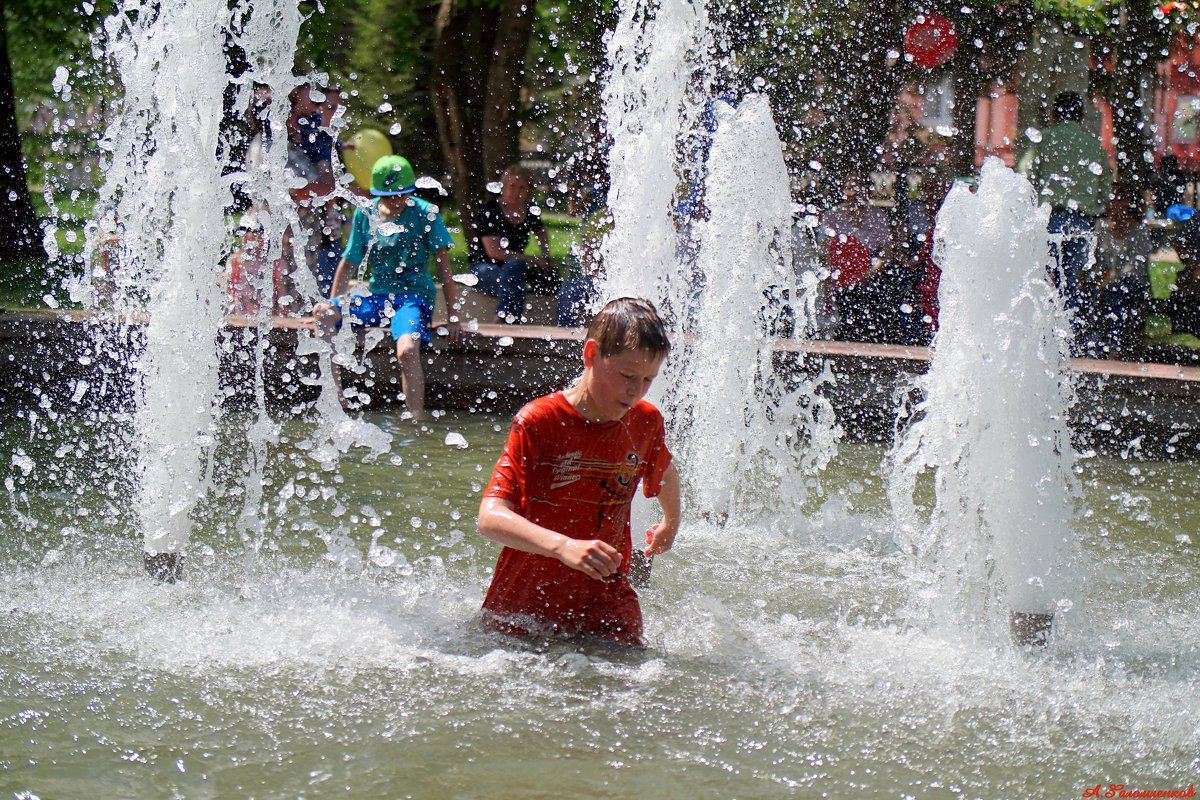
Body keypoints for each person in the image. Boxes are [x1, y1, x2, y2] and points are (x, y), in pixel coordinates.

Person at [477, 297, 682, 645]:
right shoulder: (539, 421)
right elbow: (490, 517)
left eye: (648, 379)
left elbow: (663, 468)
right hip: (526, 601)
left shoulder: (645, 421)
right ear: (591, 354)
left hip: (606, 601)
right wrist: (563, 547)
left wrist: (670, 521)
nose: (636, 390)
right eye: (628, 375)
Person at [312, 155, 462, 419]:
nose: (396, 201)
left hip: (412, 300)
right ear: (377, 194)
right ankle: (335, 398)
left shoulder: (426, 213)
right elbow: (348, 264)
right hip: (376, 298)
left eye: (402, 195)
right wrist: (336, 310)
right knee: (322, 311)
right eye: (389, 196)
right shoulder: (365, 214)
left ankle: (414, 419)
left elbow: (445, 270)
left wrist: (453, 317)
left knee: (406, 350)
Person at [1022, 90, 1112, 330]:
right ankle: (1067, 331)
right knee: (1071, 280)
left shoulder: (1044, 140)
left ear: (1054, 114)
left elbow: (1024, 177)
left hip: (1049, 218)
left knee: (1041, 274)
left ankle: (1040, 329)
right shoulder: (1094, 146)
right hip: (1082, 222)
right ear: (1081, 117)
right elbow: (1105, 193)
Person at [468, 165, 558, 323]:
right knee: (514, 273)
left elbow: (541, 233)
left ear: (529, 190)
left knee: (515, 272)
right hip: (482, 269)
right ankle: (507, 322)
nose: (516, 192)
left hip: (513, 270)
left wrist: (546, 255)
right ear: (503, 187)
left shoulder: (530, 211)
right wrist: (533, 260)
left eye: (522, 188)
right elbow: (494, 252)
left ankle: (504, 321)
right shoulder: (490, 211)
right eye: (512, 186)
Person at [818, 171, 895, 342]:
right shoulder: (832, 216)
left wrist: (870, 272)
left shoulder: (877, 216)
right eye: (849, 186)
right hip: (840, 278)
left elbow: (887, 251)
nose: (853, 190)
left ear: (866, 190)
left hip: (870, 276)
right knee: (841, 326)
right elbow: (824, 251)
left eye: (858, 185)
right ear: (844, 190)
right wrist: (831, 279)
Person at [1093, 183, 1155, 355]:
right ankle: (1098, 343)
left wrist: (1111, 279)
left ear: (1128, 202)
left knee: (1118, 291)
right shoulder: (1100, 227)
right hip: (1104, 282)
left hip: (1131, 284)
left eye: (1118, 199)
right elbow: (1095, 263)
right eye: (1110, 198)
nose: (1112, 203)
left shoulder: (1139, 231)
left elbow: (1136, 269)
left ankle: (1113, 345)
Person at [555, 210, 611, 327]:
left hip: (626, 282)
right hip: (598, 280)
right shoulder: (600, 217)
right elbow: (587, 253)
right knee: (568, 291)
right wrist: (596, 273)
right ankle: (566, 335)